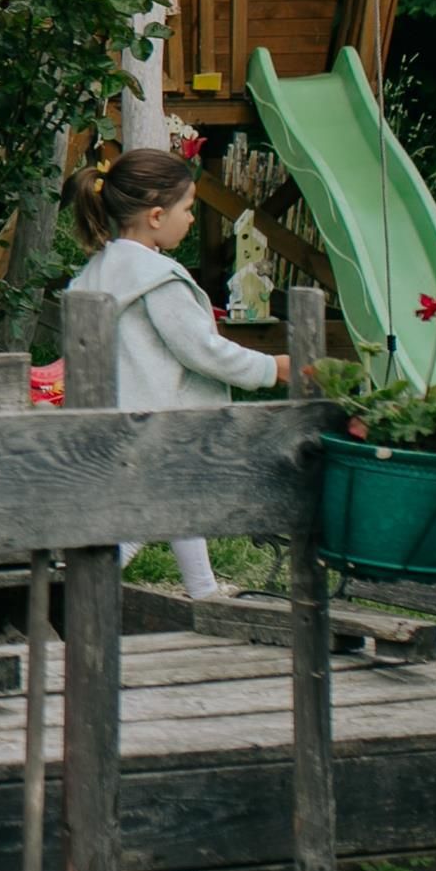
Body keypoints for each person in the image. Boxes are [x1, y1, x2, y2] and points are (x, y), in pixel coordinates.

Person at [63, 143, 279, 599]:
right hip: (159, 421)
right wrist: (269, 369)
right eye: (188, 207)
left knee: (176, 505)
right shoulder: (157, 278)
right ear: (156, 216)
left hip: (111, 418)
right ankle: (70, 594)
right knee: (145, 517)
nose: (192, 218)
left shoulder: (96, 271)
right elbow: (201, 350)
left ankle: (201, 588)